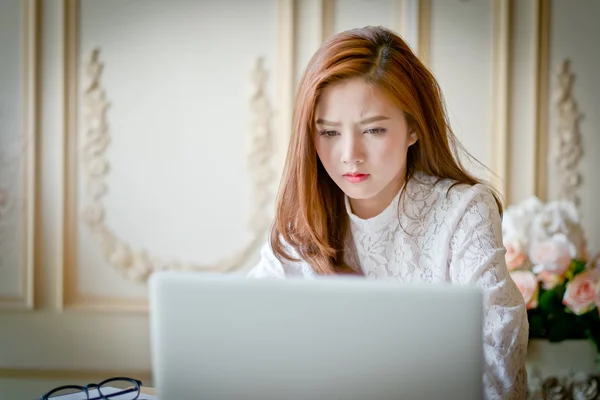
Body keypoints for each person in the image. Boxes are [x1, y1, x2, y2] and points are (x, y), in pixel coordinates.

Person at [247, 26, 528, 399]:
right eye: (329, 133)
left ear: (413, 127)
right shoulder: (303, 220)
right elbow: (246, 334)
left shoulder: (463, 212)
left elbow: (498, 371)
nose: (350, 154)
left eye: (374, 129)